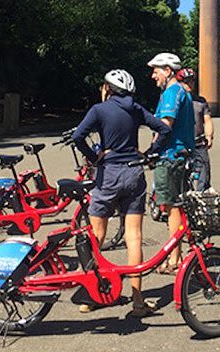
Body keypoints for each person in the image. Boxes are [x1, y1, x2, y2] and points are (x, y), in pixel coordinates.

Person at [72, 69, 171, 317]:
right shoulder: (136, 109)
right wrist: (148, 153)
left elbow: (78, 136)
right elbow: (164, 129)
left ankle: (92, 297)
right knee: (134, 236)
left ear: (107, 88)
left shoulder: (99, 110)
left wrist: (94, 157)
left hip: (108, 174)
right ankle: (138, 302)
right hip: (134, 173)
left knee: (96, 235)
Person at [148, 53, 195, 274]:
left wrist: (151, 151)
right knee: (174, 206)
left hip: (170, 156)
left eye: (156, 70)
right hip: (180, 155)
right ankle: (176, 256)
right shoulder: (182, 92)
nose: (153, 76)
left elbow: (165, 125)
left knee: (171, 207)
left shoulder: (171, 92)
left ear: (167, 70)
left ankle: (175, 259)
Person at [175, 67, 214, 190]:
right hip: (182, 145)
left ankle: (201, 197)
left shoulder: (200, 101)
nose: (189, 84)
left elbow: (207, 120)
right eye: (186, 81)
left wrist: (209, 136)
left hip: (198, 143)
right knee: (181, 177)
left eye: (191, 81)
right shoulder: (175, 100)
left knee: (204, 173)